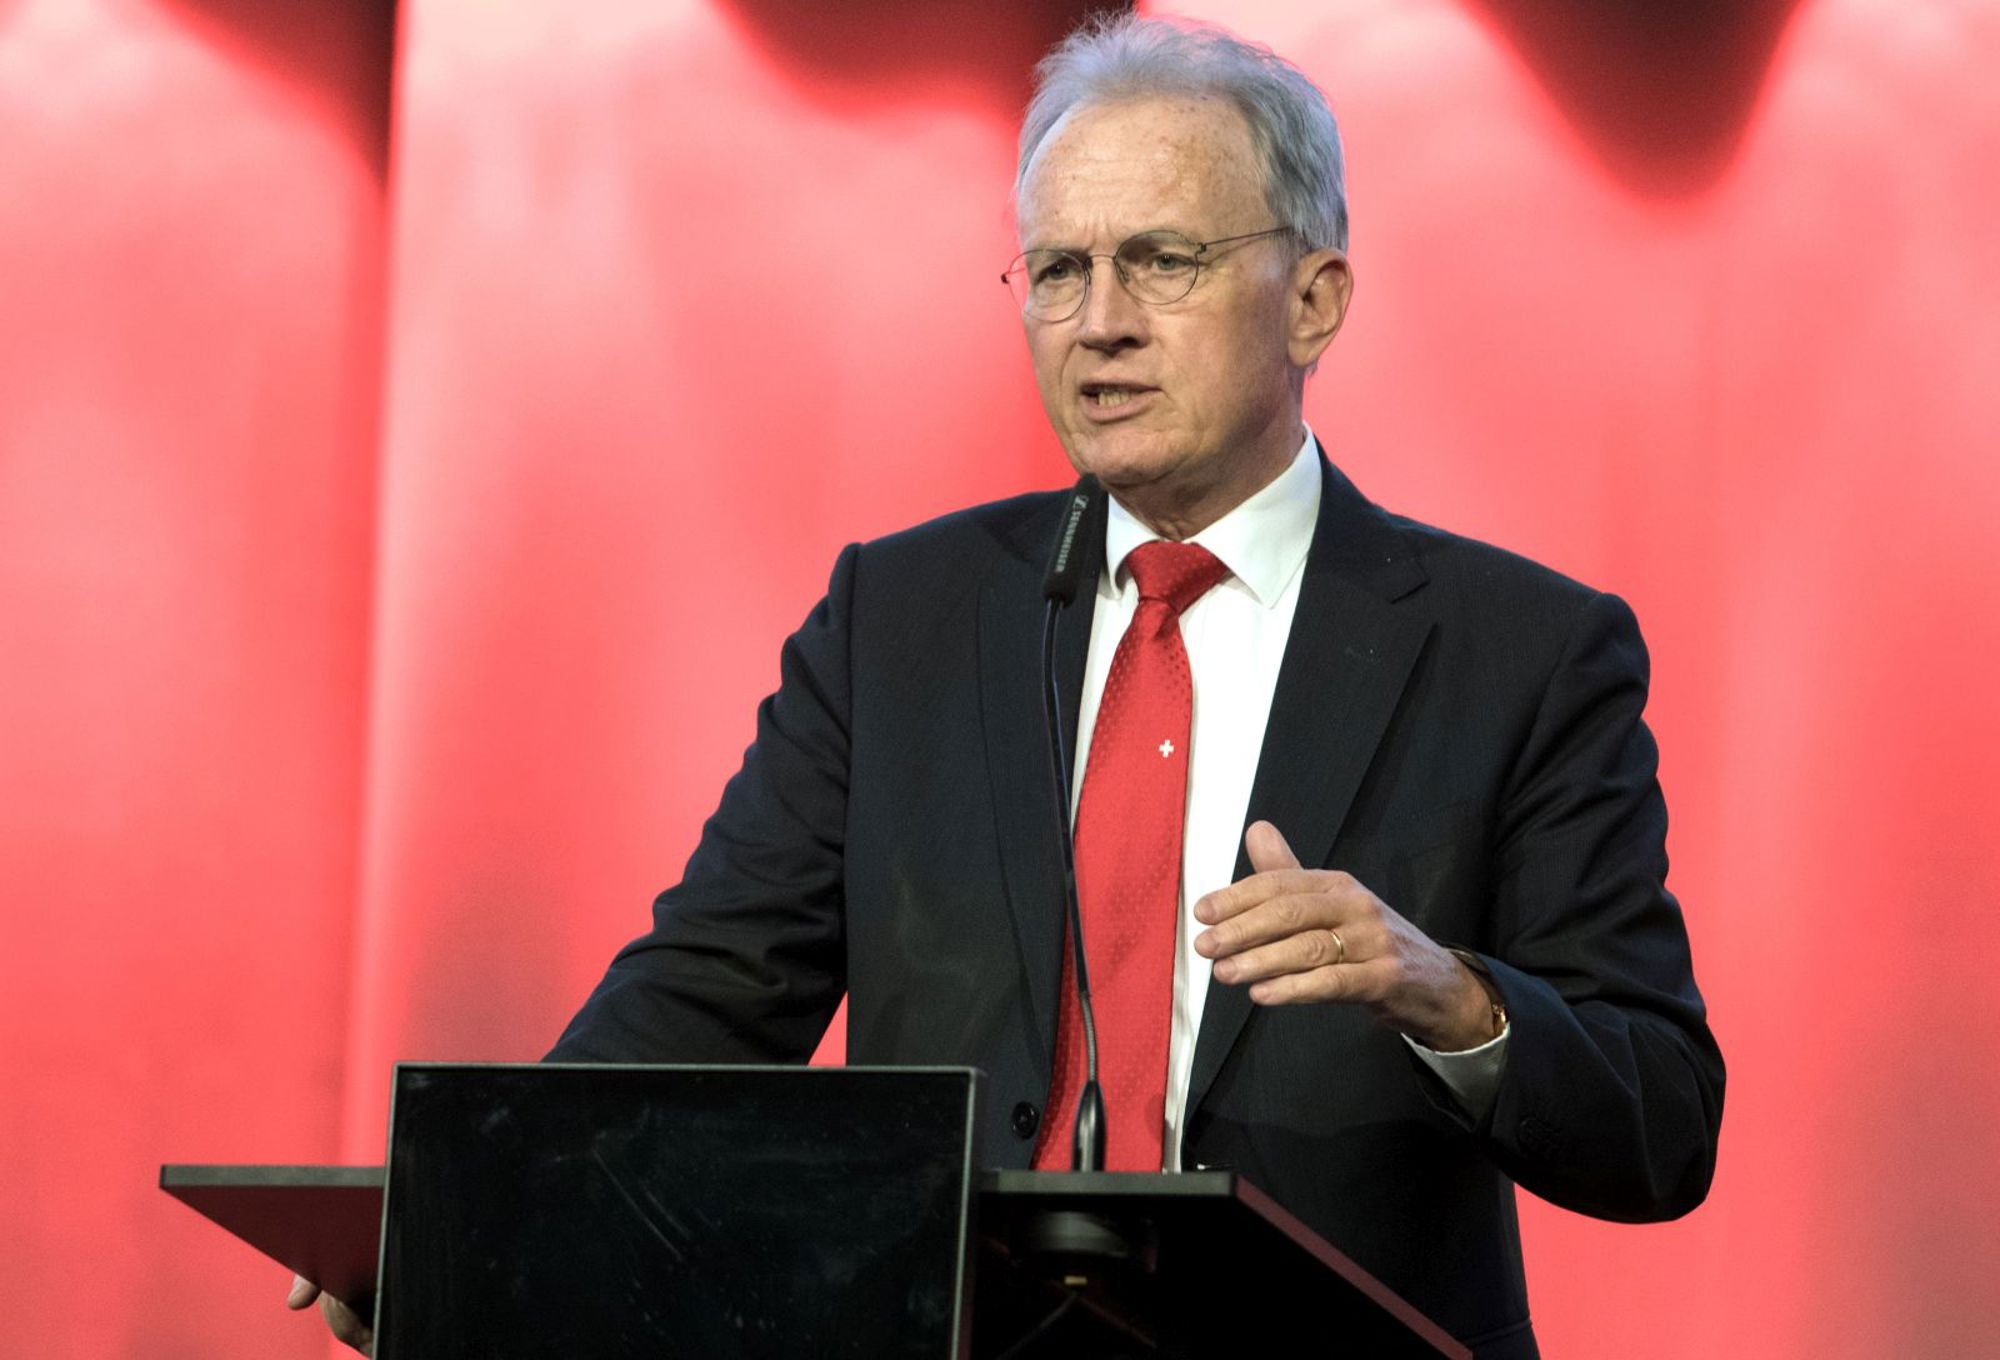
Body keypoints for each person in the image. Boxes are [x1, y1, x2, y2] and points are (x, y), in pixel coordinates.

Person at [294, 15, 1722, 1358]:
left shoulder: (1521, 652)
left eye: (1161, 260)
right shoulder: (901, 618)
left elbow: (1660, 1125)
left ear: (1314, 299)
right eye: (1056, 271)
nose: (1098, 322)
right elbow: (708, 995)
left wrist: (1449, 995)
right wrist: (480, 1206)